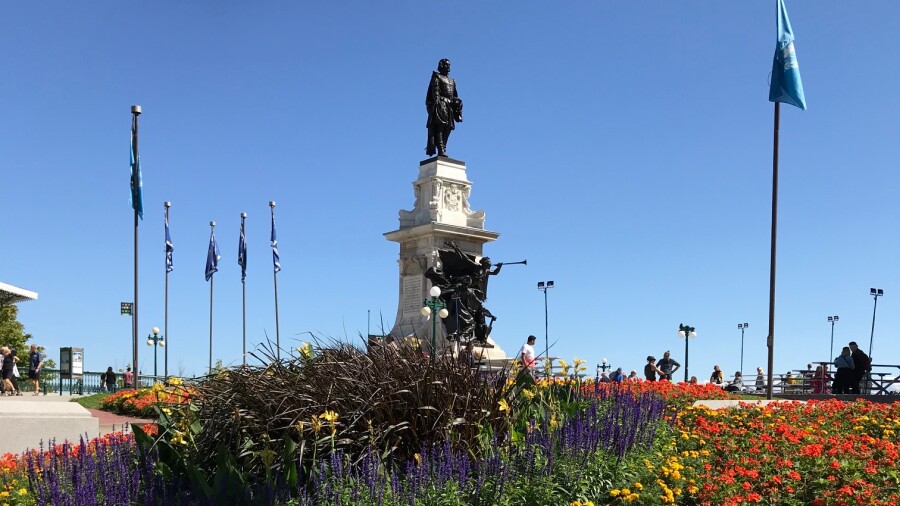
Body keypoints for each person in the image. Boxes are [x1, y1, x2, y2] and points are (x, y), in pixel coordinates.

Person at [425, 58, 463, 157]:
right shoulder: (437, 77)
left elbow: (454, 95)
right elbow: (435, 91)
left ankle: (443, 148)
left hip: (449, 107)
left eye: (449, 65)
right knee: (440, 127)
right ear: (441, 65)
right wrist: (437, 104)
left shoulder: (452, 81)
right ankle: (441, 149)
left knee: (448, 128)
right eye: (446, 64)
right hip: (441, 105)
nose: (448, 66)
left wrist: (457, 103)